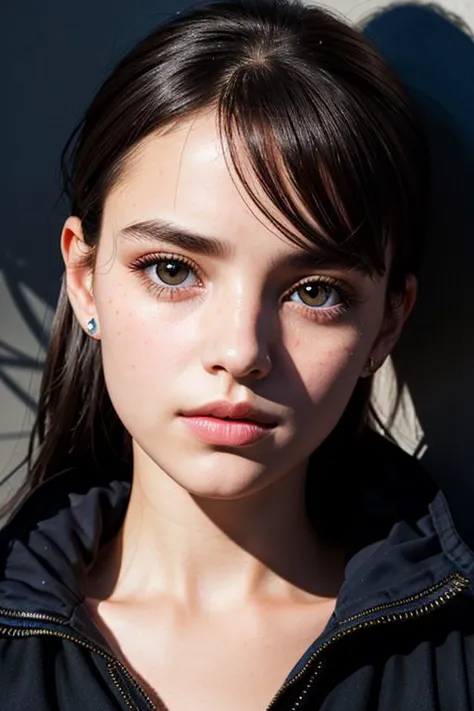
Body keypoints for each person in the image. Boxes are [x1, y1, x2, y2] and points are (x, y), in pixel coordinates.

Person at [1, 0, 473, 709]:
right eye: (172, 270)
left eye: (315, 289)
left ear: (386, 324)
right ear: (83, 278)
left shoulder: (457, 657)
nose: (241, 351)